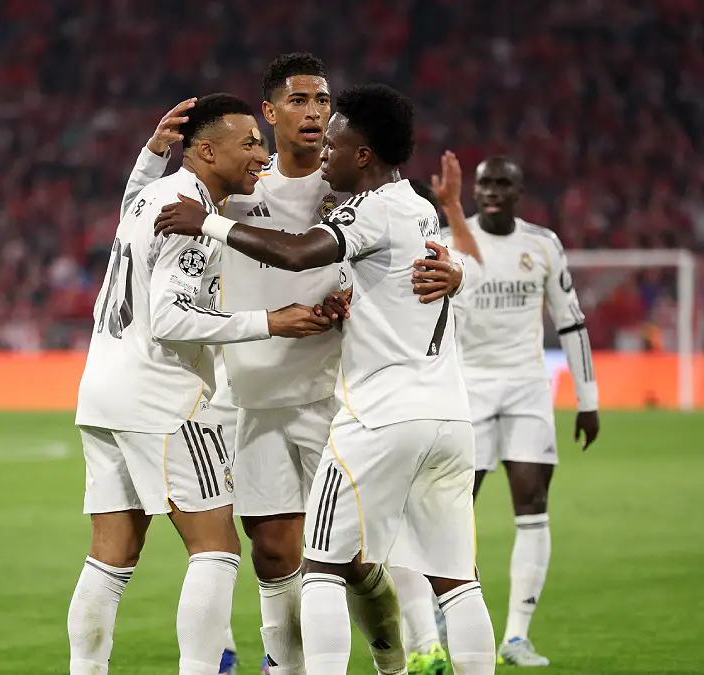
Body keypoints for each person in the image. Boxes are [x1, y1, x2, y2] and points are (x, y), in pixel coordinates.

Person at [120, 54, 462, 675]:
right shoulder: (240, 183)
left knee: (354, 558)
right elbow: (144, 218)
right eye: (299, 101)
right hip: (253, 395)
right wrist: (152, 158)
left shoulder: (352, 188)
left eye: (323, 101)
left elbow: (414, 237)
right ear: (270, 113)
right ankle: (285, 666)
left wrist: (455, 270)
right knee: (275, 554)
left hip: (336, 393)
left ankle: (399, 657)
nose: (314, 113)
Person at [68, 93, 333, 675]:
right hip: (164, 397)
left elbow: (130, 206)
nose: (261, 154)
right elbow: (170, 317)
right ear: (207, 152)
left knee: (112, 555)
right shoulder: (190, 216)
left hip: (103, 388)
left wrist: (150, 153)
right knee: (217, 548)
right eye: (250, 144)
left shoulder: (154, 196)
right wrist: (271, 321)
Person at [424, 152, 602, 666]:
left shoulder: (542, 244)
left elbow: (570, 320)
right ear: (475, 190)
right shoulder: (448, 239)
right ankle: (443, 610)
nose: (492, 192)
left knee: (533, 502)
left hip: (527, 387)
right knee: (456, 507)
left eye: (503, 184)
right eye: (485, 184)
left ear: (519, 192)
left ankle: (517, 636)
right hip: (467, 388)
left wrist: (587, 400)